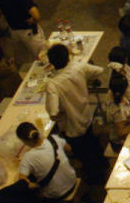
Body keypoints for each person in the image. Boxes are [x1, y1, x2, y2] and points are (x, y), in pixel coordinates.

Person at [43, 44, 106, 185]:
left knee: (84, 154)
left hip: (72, 126)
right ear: (68, 57)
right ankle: (103, 163)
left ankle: (95, 179)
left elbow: (53, 112)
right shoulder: (78, 67)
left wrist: (61, 117)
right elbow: (99, 70)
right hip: (86, 115)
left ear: (51, 63)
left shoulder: (53, 84)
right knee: (92, 141)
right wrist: (86, 81)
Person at [15, 122, 78, 200]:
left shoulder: (28, 157)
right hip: (72, 179)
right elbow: (69, 148)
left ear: (25, 141)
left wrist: (35, 185)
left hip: (56, 194)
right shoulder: (53, 139)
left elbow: (22, 182)